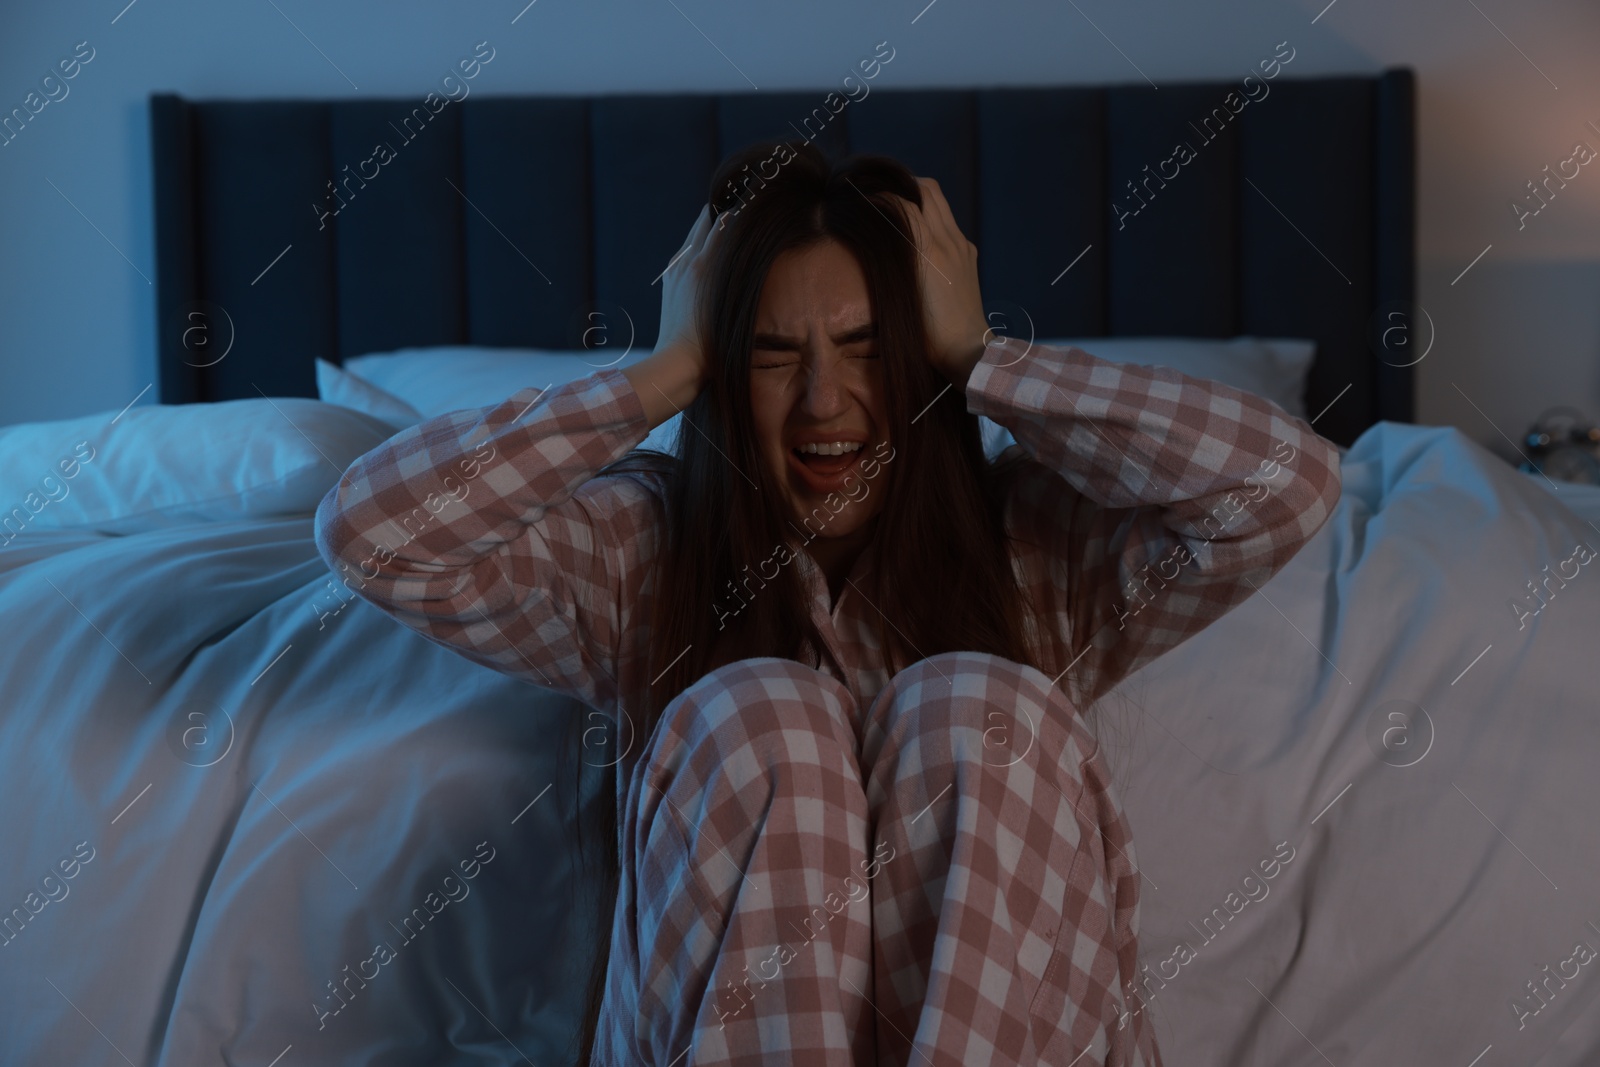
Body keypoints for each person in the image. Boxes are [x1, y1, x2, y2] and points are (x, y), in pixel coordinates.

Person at [313, 139, 1342, 1067]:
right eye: (768, 354)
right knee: (761, 716)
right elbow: (378, 534)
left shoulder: (1036, 546)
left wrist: (987, 359)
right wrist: (659, 374)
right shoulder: (641, 553)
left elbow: (1284, 486)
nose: (822, 399)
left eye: (866, 348)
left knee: (980, 707)